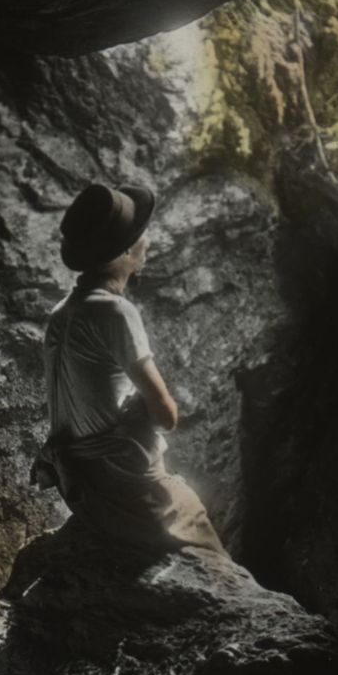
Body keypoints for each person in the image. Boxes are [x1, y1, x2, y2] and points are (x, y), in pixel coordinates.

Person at [36, 182, 225, 556]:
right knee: (207, 542)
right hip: (120, 486)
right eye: (140, 233)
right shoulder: (114, 312)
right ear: (125, 251)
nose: (147, 239)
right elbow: (166, 415)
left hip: (78, 484)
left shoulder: (62, 312)